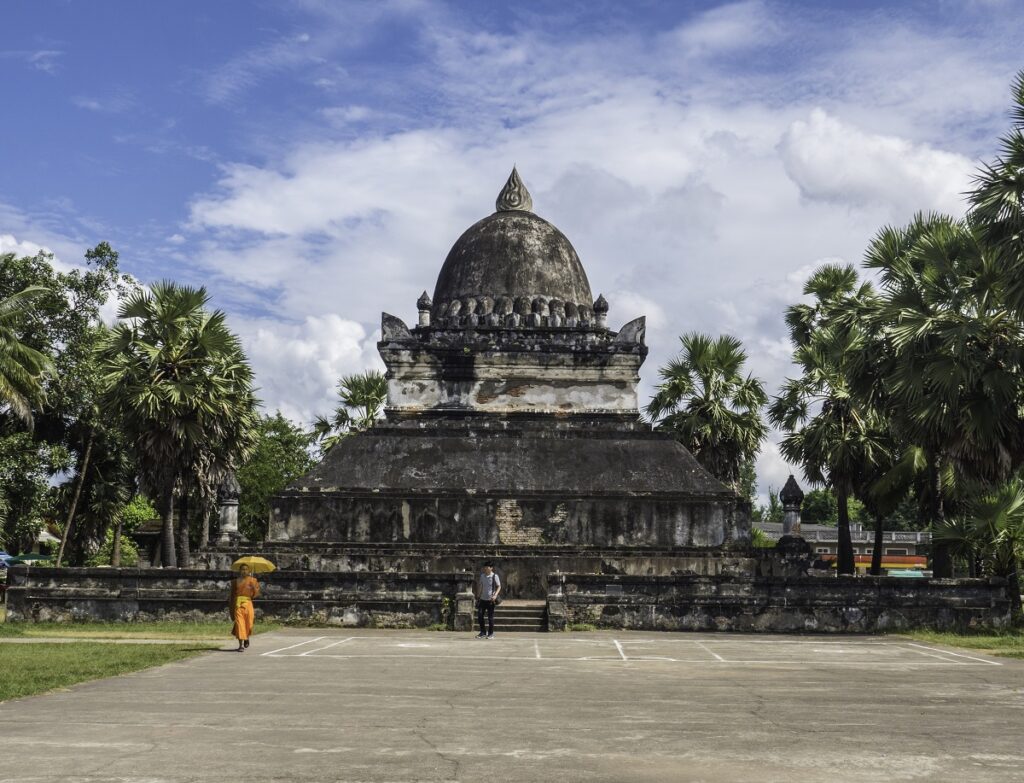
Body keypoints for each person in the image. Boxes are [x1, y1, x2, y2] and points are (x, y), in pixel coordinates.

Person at [229, 563, 260, 652]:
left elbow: (256, 595)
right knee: (239, 624)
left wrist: (254, 587)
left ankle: (246, 637)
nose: (244, 571)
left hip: (248, 604)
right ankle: (240, 645)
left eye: (246, 569)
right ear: (239, 571)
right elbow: (232, 595)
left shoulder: (253, 580)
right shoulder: (235, 581)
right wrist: (231, 606)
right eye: (242, 569)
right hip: (238, 605)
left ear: (249, 571)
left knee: (249, 624)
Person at [473, 561, 501, 639]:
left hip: (490, 600)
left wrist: (495, 595)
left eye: (487, 567)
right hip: (482, 599)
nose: (485, 568)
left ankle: (491, 634)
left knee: (490, 618)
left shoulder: (494, 576)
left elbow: (499, 586)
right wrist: (478, 596)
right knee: (480, 616)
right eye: (484, 567)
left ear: (491, 568)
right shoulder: (482, 576)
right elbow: (480, 586)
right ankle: (483, 632)